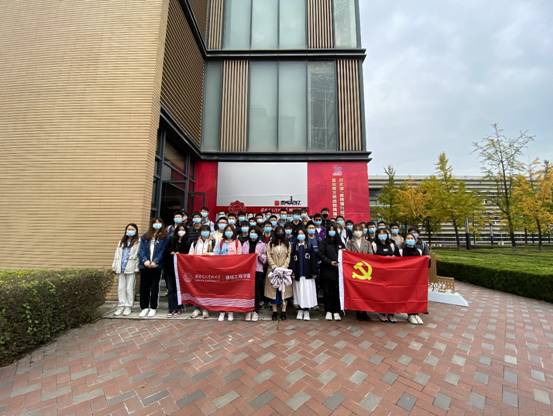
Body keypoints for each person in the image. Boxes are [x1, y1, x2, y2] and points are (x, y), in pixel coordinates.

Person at [138, 218, 170, 318]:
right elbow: (141, 250)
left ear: (162, 224)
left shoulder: (165, 237)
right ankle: (144, 307)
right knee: (144, 287)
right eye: (154, 223)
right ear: (151, 224)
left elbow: (163, 250)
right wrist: (145, 260)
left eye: (159, 222)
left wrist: (156, 261)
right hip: (145, 265)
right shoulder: (145, 236)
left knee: (154, 287)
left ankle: (153, 307)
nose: (157, 224)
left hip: (156, 265)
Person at [214, 225, 242, 321]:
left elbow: (240, 257)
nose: (228, 232)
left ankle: (230, 311)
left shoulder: (237, 242)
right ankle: (222, 311)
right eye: (227, 230)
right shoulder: (220, 242)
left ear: (233, 232)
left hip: (232, 271)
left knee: (232, 292)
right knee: (221, 291)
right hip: (222, 271)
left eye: (230, 230)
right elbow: (216, 255)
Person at [371, 228, 400, 323]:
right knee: (381, 293)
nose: (382, 235)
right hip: (380, 274)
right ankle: (382, 313)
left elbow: (399, 258)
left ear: (387, 235)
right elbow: (371, 259)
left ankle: (391, 314)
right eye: (380, 233)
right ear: (377, 235)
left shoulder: (392, 244)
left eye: (384, 233)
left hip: (391, 273)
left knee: (392, 293)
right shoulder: (374, 244)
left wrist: (392, 258)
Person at [112, 223, 140, 316]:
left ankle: (128, 306)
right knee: (121, 288)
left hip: (131, 267)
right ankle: (121, 306)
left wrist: (137, 268)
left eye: (132, 229)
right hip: (121, 267)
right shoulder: (121, 242)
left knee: (129, 288)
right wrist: (114, 266)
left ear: (136, 231)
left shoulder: (138, 242)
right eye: (128, 229)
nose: (130, 231)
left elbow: (138, 256)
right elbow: (116, 254)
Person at [347, 224, 373, 321]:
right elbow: (348, 255)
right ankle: (358, 310)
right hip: (355, 270)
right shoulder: (349, 242)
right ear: (353, 231)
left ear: (363, 231)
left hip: (366, 269)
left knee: (365, 292)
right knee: (357, 291)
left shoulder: (367, 243)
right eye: (356, 230)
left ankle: (365, 311)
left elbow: (371, 255)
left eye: (360, 230)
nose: (358, 232)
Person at [265, 226, 292, 320]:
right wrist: (274, 267)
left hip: (284, 271)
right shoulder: (270, 243)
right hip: (273, 271)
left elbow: (289, 256)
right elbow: (268, 256)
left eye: (281, 231)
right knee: (273, 293)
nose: (280, 233)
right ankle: (274, 311)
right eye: (278, 231)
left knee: (285, 292)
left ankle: (284, 311)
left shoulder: (288, 243)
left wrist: (284, 267)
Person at [291, 228, 318, 320]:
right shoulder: (294, 246)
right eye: (299, 234)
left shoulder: (309, 246)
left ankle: (306, 310)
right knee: (299, 292)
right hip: (298, 274)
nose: (301, 235)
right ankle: (300, 309)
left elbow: (313, 260)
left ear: (305, 235)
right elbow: (292, 260)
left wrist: (314, 272)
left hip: (307, 274)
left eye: (302, 233)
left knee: (307, 292)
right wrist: (292, 271)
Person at [319, 224, 345, 321]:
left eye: (333, 230)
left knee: (336, 291)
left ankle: (336, 311)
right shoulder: (323, 242)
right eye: (330, 230)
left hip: (338, 271)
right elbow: (321, 254)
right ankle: (328, 311)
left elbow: (345, 254)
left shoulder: (340, 243)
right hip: (327, 270)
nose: (331, 231)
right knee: (327, 291)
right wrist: (329, 262)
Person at [188, 225, 214, 319]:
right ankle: (196, 309)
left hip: (208, 269)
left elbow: (217, 254)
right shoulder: (195, 243)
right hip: (196, 269)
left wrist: (209, 254)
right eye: (203, 230)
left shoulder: (213, 242)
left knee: (206, 289)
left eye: (207, 230)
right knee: (196, 289)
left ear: (209, 232)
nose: (205, 232)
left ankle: (205, 309)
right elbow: (190, 254)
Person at [241, 226, 267, 322]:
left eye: (254, 232)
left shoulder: (262, 244)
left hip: (258, 270)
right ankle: (248, 310)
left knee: (256, 291)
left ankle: (255, 311)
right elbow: (242, 257)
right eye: (251, 232)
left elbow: (265, 260)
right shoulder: (245, 244)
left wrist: (259, 255)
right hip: (247, 271)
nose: (253, 234)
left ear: (258, 234)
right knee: (247, 291)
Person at [401, 233, 424, 325]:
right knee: (408, 296)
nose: (410, 239)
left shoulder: (419, 251)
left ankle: (416, 314)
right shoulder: (401, 251)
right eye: (408, 238)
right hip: (405, 278)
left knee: (416, 295)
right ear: (405, 240)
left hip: (416, 278)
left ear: (415, 240)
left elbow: (424, 264)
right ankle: (410, 315)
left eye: (411, 238)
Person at [166, 224, 189, 317]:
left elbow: (188, 254)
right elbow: (166, 251)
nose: (181, 231)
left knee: (179, 289)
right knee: (171, 289)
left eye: (183, 229)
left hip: (182, 270)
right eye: (179, 229)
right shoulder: (171, 240)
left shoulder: (188, 241)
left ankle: (178, 307)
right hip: (170, 268)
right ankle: (171, 308)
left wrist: (181, 254)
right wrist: (170, 253)